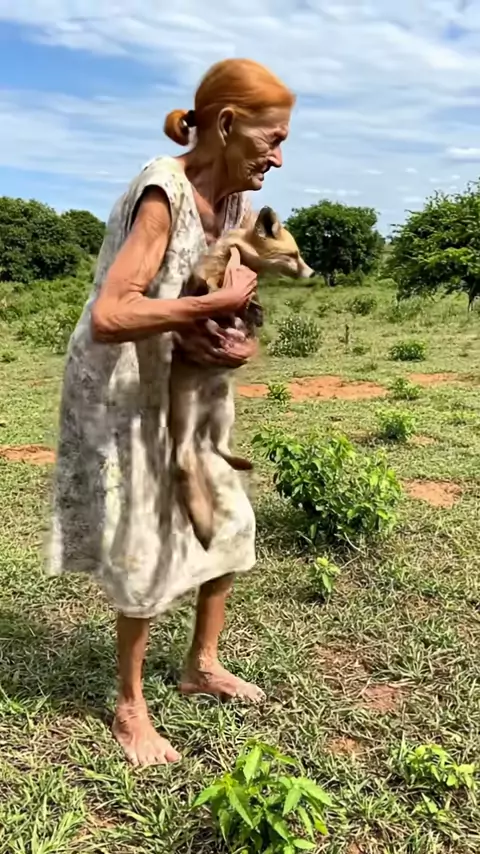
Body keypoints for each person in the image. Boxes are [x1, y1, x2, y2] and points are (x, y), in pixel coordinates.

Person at [48, 58, 295, 767]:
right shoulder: (165, 190)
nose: (278, 158)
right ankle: (130, 707)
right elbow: (111, 314)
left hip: (184, 385)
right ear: (228, 124)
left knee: (228, 519)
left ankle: (200, 665)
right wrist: (208, 307)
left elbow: (225, 301)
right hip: (122, 385)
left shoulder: (237, 207)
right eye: (273, 139)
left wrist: (234, 335)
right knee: (147, 538)